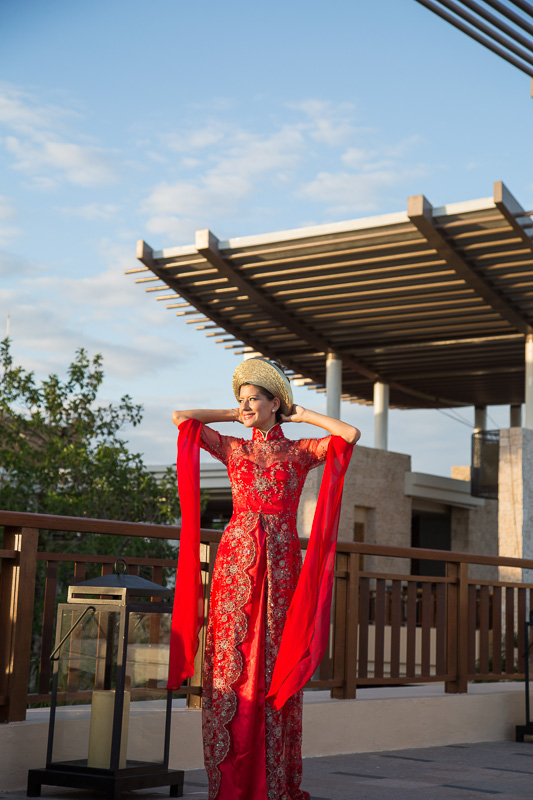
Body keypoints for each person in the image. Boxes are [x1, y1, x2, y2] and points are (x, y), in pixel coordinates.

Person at [167, 358, 360, 800]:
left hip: (281, 564)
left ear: (276, 402)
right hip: (236, 563)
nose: (247, 404)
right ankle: (231, 783)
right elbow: (182, 418)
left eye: (255, 397)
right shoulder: (233, 446)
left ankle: (273, 782)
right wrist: (230, 414)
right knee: (231, 664)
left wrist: (302, 414)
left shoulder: (298, 451)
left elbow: (348, 436)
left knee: (272, 661)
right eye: (242, 398)